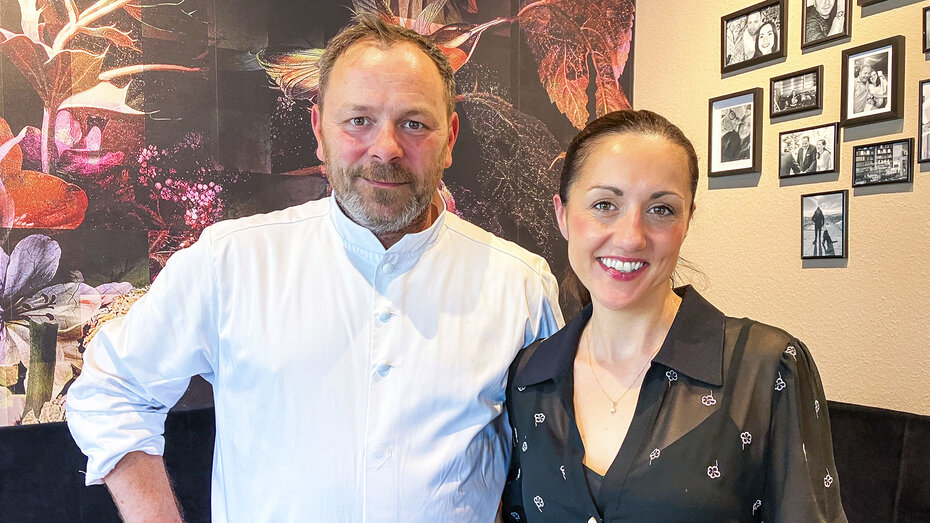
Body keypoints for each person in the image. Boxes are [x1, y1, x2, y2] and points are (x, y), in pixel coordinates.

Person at [66, 14, 563, 522]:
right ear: (319, 130)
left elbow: (557, 461)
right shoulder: (232, 261)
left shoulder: (520, 285)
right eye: (359, 120)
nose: (386, 148)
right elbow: (112, 389)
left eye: (414, 123)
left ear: (450, 137)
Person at [501, 110, 847, 522]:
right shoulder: (529, 377)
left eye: (661, 210)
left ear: (687, 222)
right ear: (562, 215)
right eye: (605, 205)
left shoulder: (766, 368)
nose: (631, 237)